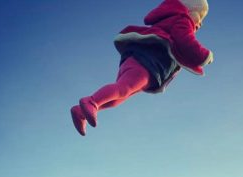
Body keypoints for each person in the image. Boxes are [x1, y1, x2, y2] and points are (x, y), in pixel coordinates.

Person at [70, 0, 213, 136]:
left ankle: (80, 112)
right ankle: (91, 101)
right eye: (200, 17)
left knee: (119, 97)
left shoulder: (170, 20)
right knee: (123, 89)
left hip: (142, 61)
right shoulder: (182, 20)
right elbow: (186, 42)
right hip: (147, 61)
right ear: (191, 10)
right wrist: (206, 56)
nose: (200, 23)